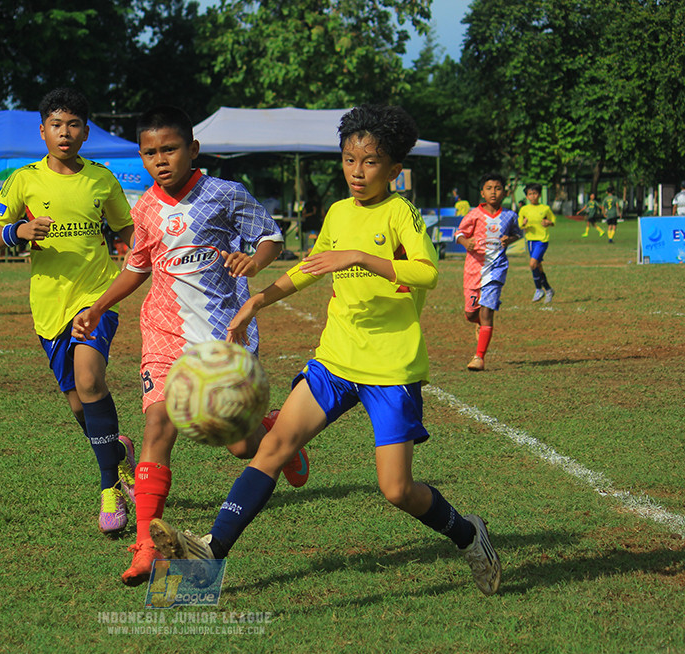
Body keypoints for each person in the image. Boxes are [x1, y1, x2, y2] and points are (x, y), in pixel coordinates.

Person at [147, 104, 502, 597]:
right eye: (349, 160)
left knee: (396, 489)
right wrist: (258, 300)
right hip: (334, 359)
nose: (357, 172)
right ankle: (211, 549)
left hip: (390, 368)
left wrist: (360, 256)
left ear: (394, 170)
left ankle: (468, 534)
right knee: (273, 447)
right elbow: (310, 267)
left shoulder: (400, 213)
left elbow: (428, 272)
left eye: (371, 162)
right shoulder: (337, 211)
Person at [70, 105, 309, 587]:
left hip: (224, 333)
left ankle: (271, 430)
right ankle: (146, 546)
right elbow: (137, 267)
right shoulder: (144, 208)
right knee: (158, 423)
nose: (160, 160)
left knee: (239, 445)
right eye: (150, 153)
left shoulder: (225, 193)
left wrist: (254, 261)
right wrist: (97, 307)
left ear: (192, 149)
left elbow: (270, 237)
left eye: (170, 149)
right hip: (164, 333)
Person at [0, 87, 136, 536]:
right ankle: (117, 452)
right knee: (78, 404)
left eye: (73, 125)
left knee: (89, 380)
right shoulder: (23, 180)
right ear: (42, 131)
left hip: (96, 296)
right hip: (48, 306)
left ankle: (109, 488)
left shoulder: (102, 179)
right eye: (56, 125)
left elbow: (128, 229)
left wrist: (143, 252)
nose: (64, 133)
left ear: (85, 133)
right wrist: (19, 231)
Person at [455, 173, 521, 372]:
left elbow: (518, 233)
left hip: (496, 269)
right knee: (470, 313)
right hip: (474, 269)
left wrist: (510, 239)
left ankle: (479, 357)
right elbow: (459, 233)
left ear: (505, 192)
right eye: (489, 188)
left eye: (498, 188)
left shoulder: (510, 216)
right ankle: (479, 323)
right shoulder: (474, 214)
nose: (494, 192)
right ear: (482, 192)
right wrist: (465, 242)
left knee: (487, 312)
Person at [517, 183, 556, 303]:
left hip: (542, 240)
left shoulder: (545, 208)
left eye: (535, 193)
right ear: (527, 196)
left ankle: (538, 289)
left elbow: (553, 220)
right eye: (530, 194)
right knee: (538, 266)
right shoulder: (524, 210)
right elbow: (519, 224)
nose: (532, 196)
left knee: (532, 264)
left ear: (539, 195)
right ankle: (549, 289)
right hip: (530, 241)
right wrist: (523, 223)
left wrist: (548, 223)